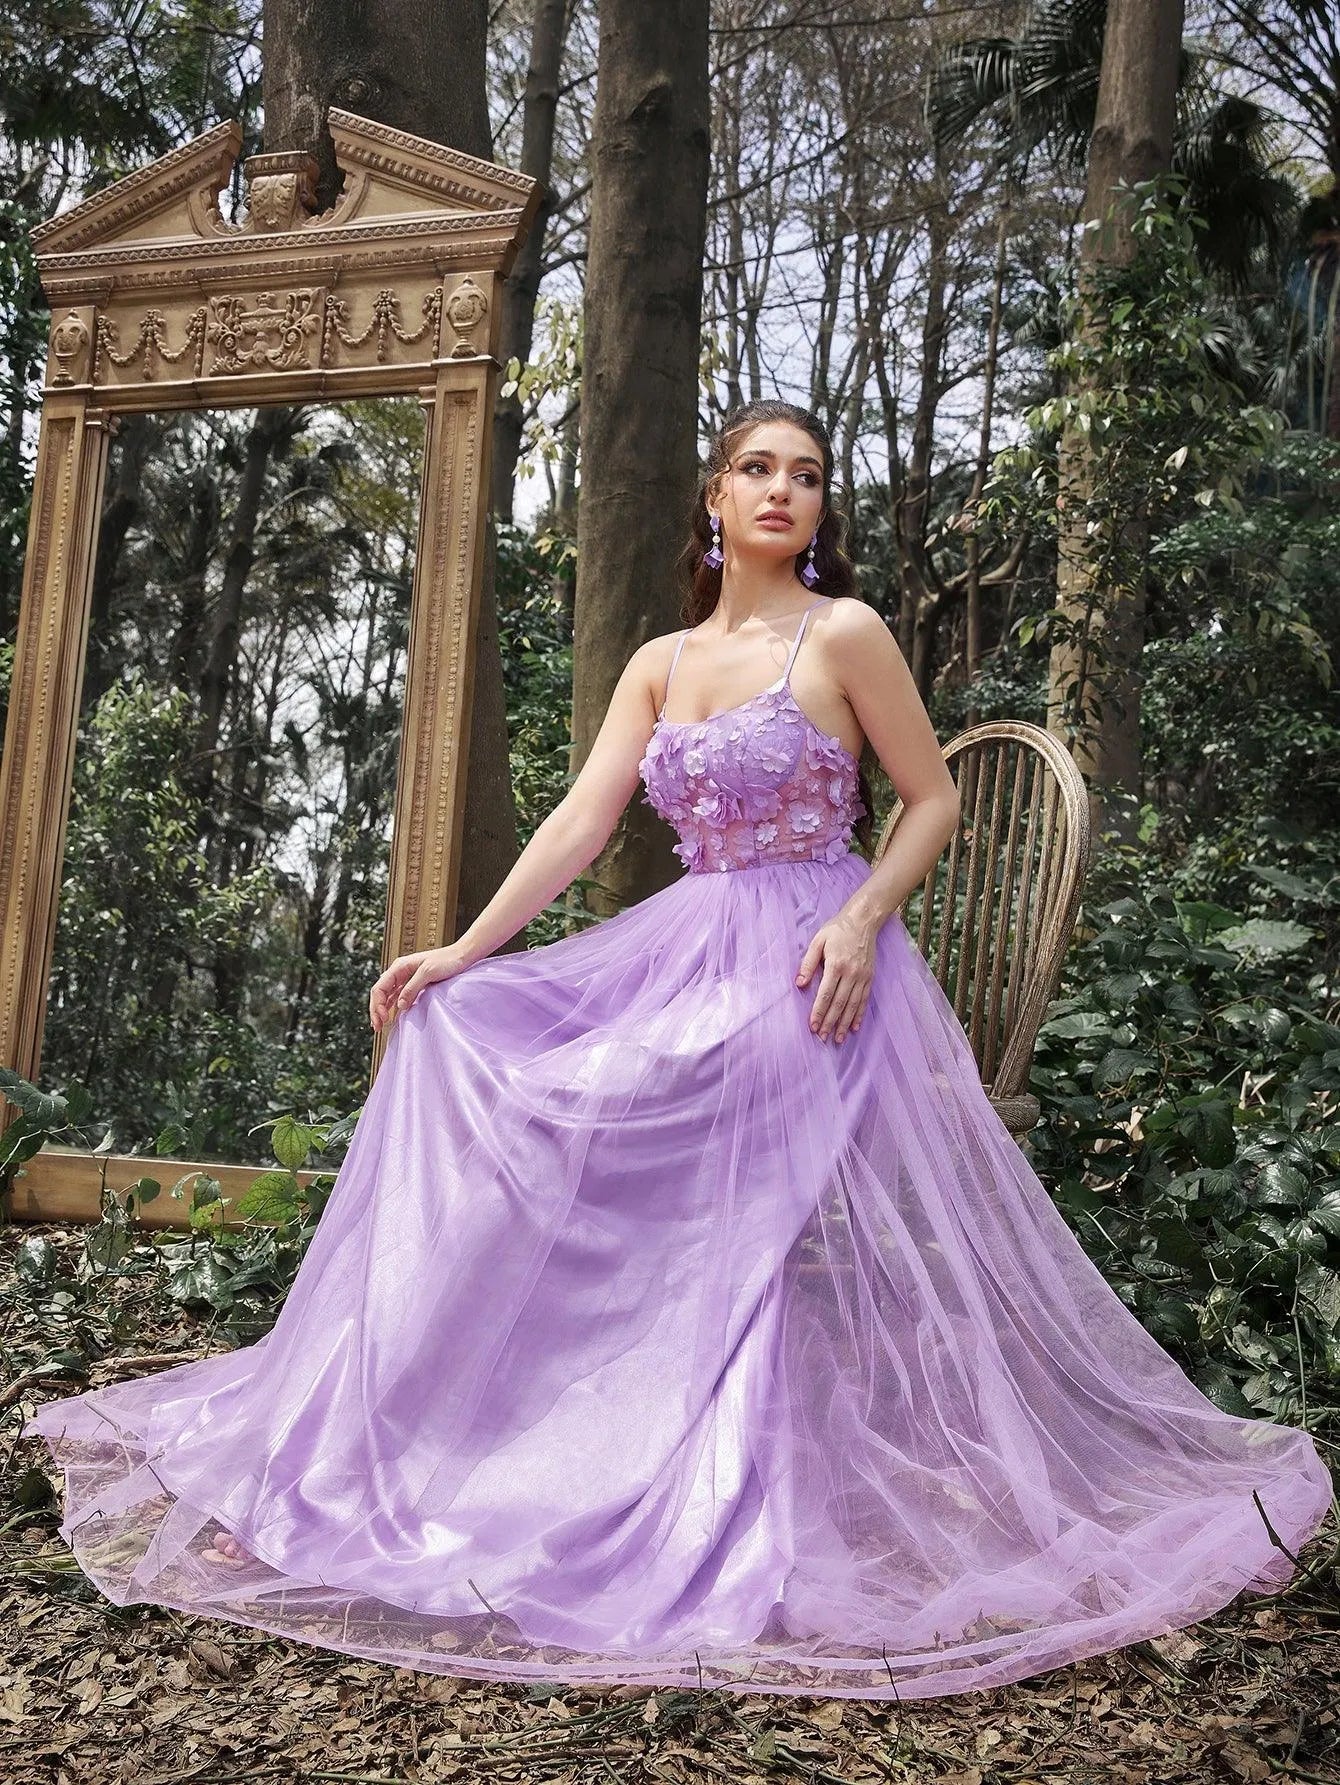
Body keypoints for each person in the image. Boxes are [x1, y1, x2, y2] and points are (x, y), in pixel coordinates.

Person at [24, 400, 1334, 1704]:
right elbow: (580, 824)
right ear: (715, 496)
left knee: (612, 1108)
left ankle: (626, 1461)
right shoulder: (659, 661)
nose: (781, 490)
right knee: (486, 1055)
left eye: (806, 474)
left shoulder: (846, 633)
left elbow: (932, 799)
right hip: (694, 951)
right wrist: (463, 949)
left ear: (819, 507)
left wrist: (865, 920)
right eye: (756, 468)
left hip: (818, 973)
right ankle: (422, 1451)